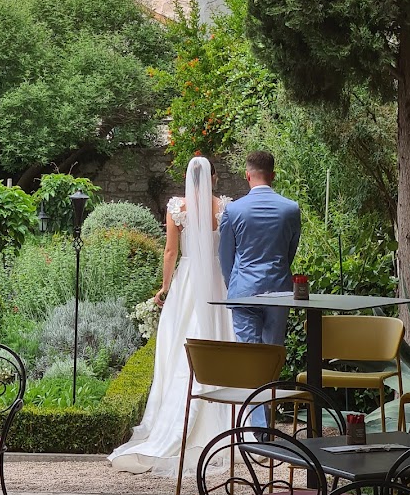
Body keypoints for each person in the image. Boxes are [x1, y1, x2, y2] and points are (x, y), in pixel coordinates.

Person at [109, 156, 235, 475]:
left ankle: (177, 413)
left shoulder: (178, 207)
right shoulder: (225, 207)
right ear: (214, 178)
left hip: (188, 280)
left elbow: (170, 251)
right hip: (217, 280)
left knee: (181, 343)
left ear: (187, 179)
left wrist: (165, 288)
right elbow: (229, 250)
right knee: (218, 336)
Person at [218, 150, 301, 425]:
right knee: (271, 358)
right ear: (273, 175)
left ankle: (260, 430)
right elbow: (290, 251)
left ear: (247, 175)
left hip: (243, 290)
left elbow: (226, 255)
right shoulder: (290, 209)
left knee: (250, 360)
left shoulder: (234, 210)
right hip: (279, 289)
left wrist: (234, 284)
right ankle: (266, 425)